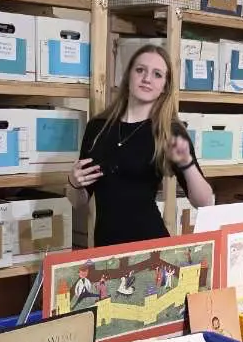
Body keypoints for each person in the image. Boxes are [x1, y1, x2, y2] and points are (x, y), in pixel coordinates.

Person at [69, 44, 215, 246]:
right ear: (128, 75)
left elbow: (206, 202)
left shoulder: (169, 131)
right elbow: (78, 202)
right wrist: (73, 183)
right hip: (105, 248)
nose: (147, 78)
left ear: (165, 86)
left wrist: (187, 164)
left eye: (157, 74)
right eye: (140, 70)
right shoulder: (98, 128)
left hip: (150, 247)